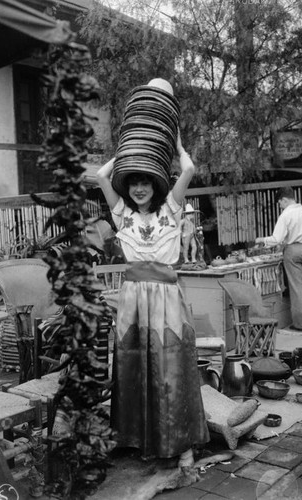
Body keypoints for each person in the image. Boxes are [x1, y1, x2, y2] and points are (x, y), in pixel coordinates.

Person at [96, 133, 209, 477]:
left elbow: (188, 167)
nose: (139, 188)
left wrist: (174, 145)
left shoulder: (171, 208)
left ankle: (183, 445)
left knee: (172, 367)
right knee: (133, 366)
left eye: (146, 180)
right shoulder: (121, 213)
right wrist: (128, 149)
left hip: (165, 297)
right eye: (133, 181)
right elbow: (102, 176)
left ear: (157, 183)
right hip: (132, 298)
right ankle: (132, 439)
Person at [255, 186, 302, 332]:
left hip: (293, 250)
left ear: (284, 200)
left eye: (280, 203)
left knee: (297, 288)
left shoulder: (285, 215)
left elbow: (277, 239)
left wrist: (261, 239)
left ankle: (301, 324)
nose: (280, 206)